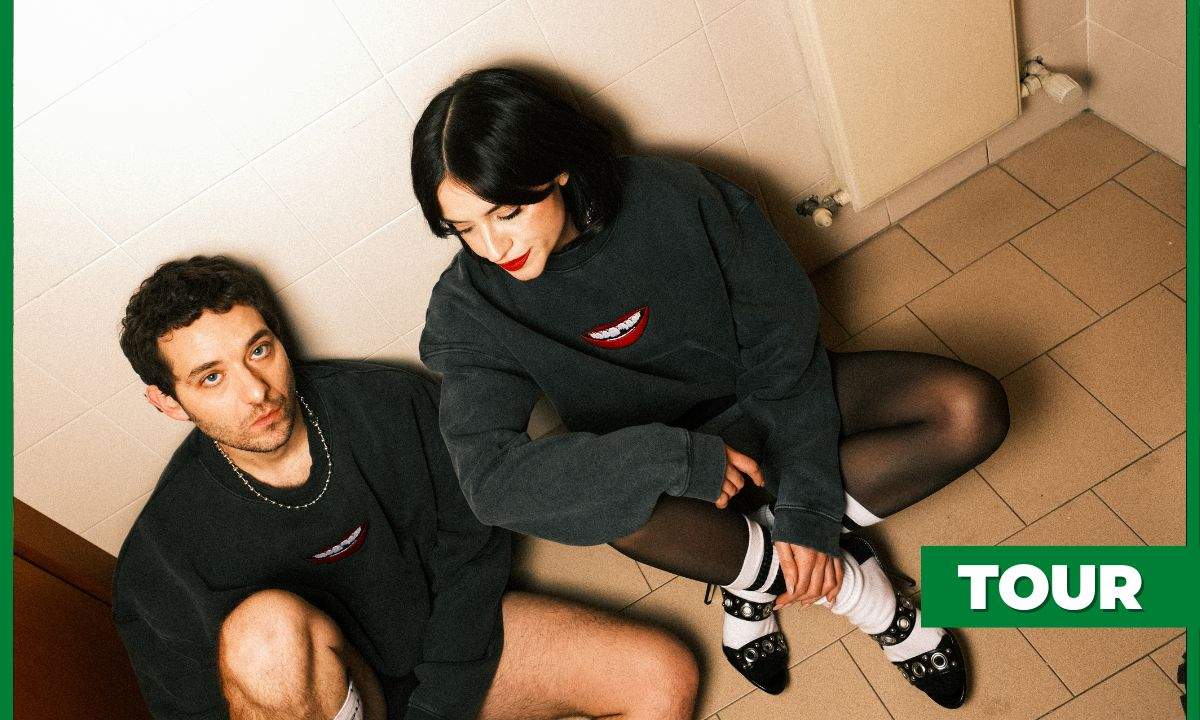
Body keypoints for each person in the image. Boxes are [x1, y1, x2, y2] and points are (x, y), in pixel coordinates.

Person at [413, 68, 1010, 709]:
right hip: (676, 470)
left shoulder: (676, 197)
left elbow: (784, 349)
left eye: (507, 212)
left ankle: (751, 573)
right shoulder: (468, 307)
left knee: (969, 408)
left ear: (556, 169)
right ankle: (864, 597)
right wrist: (675, 458)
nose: (492, 245)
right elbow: (490, 483)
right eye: (463, 228)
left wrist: (809, 514)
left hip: (764, 400)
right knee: (609, 503)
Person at [112, 256, 701, 720]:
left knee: (663, 675)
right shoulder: (164, 552)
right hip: (322, 700)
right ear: (168, 401)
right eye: (211, 378)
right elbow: (193, 708)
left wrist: (436, 709)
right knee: (262, 636)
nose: (255, 391)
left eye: (259, 350)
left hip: (446, 659)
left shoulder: (389, 405)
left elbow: (472, 556)